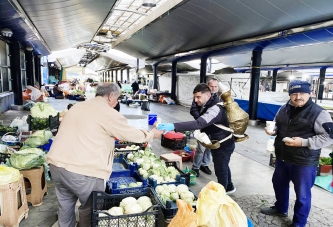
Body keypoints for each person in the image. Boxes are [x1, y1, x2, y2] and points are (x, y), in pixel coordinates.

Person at [47, 83, 164, 227]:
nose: (117, 103)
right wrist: (152, 134)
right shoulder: (108, 113)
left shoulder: (78, 107)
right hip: (82, 172)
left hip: (56, 166)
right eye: (117, 99)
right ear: (110, 96)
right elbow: (131, 134)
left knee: (65, 205)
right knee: (90, 208)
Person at [260, 80, 333, 227]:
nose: (298, 96)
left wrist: (304, 142)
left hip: (304, 161)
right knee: (279, 184)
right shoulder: (283, 108)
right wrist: (273, 131)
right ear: (289, 95)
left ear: (310, 93)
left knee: (302, 194)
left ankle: (299, 223)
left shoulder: (319, 113)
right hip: (282, 157)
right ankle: (281, 209)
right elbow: (277, 125)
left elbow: (329, 136)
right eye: (293, 93)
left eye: (302, 93)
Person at [157, 83, 236, 194]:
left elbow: (199, 123)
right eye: (194, 97)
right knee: (223, 165)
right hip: (219, 141)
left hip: (224, 144)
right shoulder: (208, 103)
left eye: (198, 97)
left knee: (220, 169)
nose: (195, 100)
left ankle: (221, 196)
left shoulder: (215, 109)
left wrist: (174, 126)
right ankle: (229, 187)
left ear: (208, 95)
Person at [190, 78, 219, 177]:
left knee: (209, 147)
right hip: (201, 126)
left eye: (216, 86)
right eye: (211, 86)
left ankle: (205, 164)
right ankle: (195, 167)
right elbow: (193, 109)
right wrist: (201, 121)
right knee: (201, 148)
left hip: (212, 127)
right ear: (207, 86)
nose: (214, 88)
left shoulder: (217, 98)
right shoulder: (199, 95)